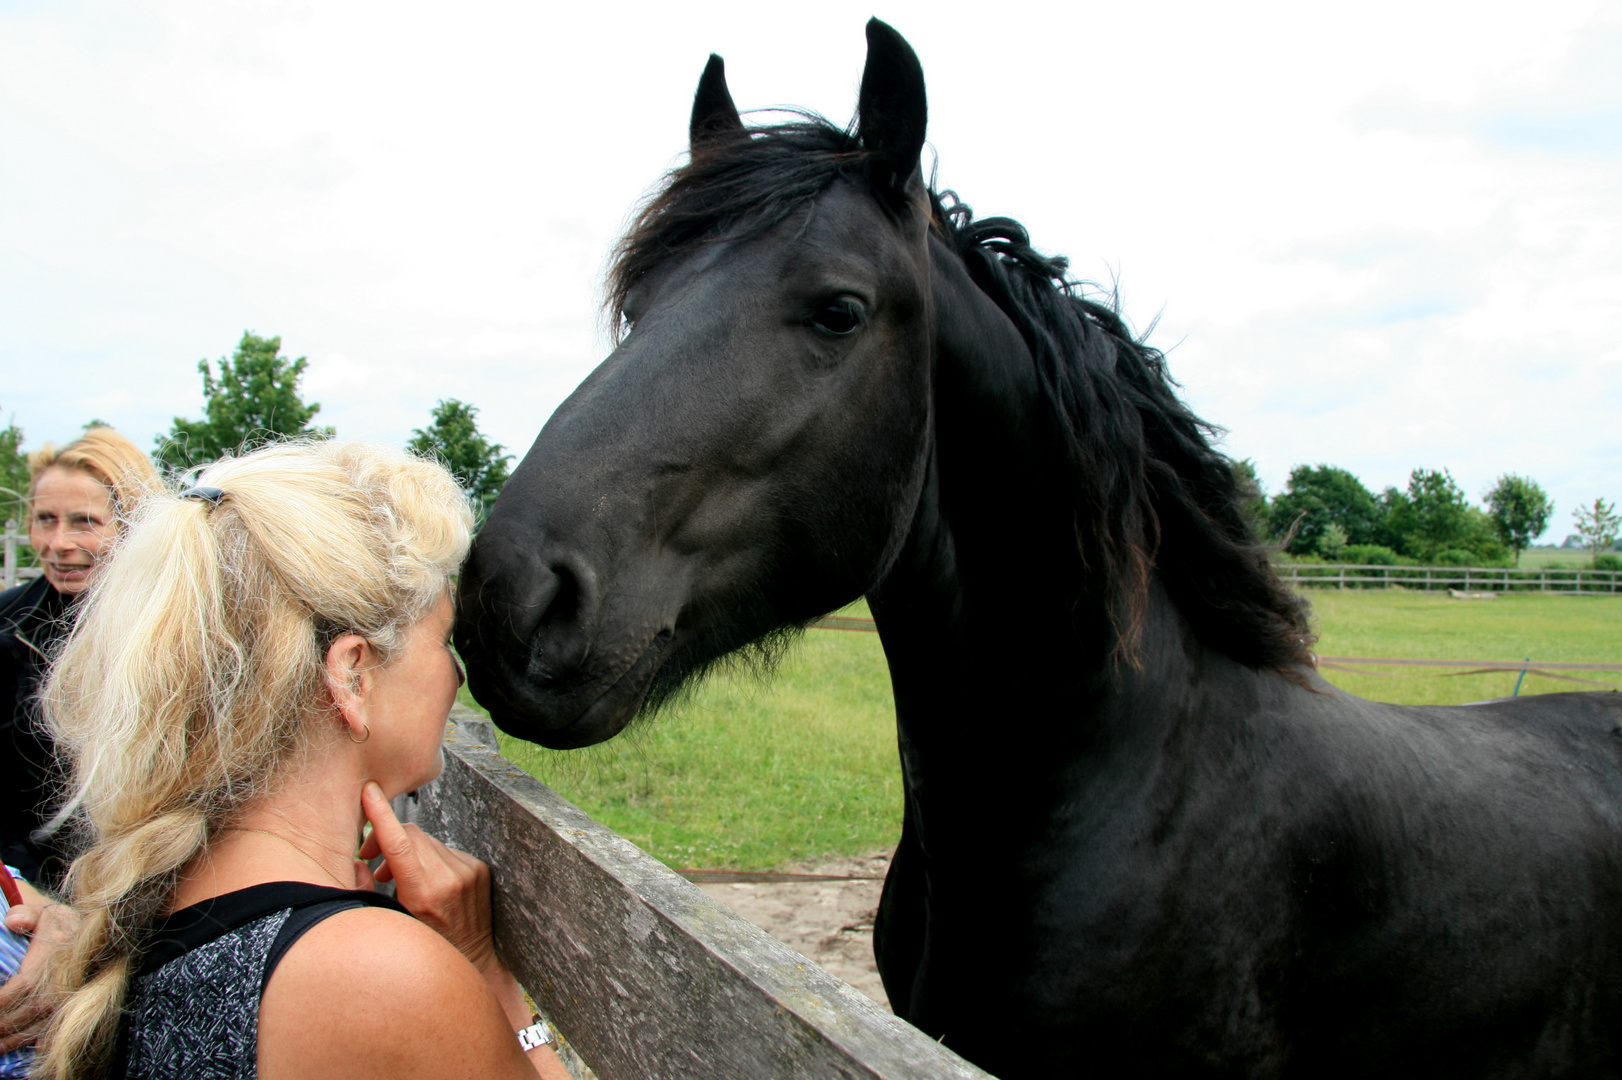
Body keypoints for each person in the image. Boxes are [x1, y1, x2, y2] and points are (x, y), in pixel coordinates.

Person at [31, 441, 571, 1080]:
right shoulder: (379, 978)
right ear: (352, 676)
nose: (456, 675)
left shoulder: (158, 897)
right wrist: (486, 971)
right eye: (442, 640)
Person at [0, 427, 160, 889]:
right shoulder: (6, 625)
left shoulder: (175, 631)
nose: (59, 543)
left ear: (134, 523)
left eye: (85, 522)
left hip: (142, 890)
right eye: (45, 519)